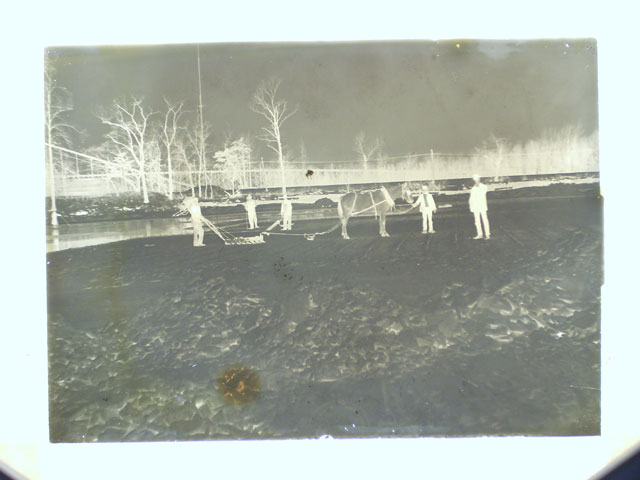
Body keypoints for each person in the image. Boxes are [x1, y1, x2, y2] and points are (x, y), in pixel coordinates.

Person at [469, 174, 491, 239]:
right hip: (476, 206)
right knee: (477, 221)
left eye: (477, 179)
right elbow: (471, 198)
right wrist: (471, 206)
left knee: (485, 220)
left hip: (482, 206)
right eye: (474, 180)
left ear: (479, 179)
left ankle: (487, 234)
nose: (476, 181)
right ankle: (479, 234)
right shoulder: (473, 188)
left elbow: (482, 194)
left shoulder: (484, 187)